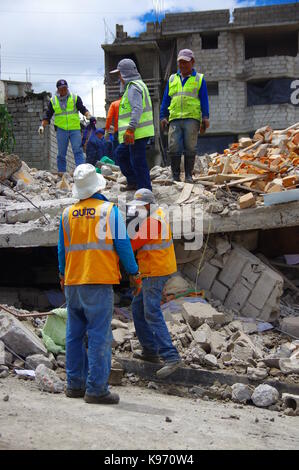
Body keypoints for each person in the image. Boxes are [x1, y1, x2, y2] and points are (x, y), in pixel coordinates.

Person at [58, 163, 142, 404]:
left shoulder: (67, 215)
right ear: (97, 186)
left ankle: (74, 385)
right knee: (98, 335)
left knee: (74, 335)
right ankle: (96, 389)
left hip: (73, 282)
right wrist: (134, 275)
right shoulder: (109, 211)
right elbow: (124, 247)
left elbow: (62, 251)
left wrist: (63, 276)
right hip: (98, 281)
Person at [127, 188, 181, 378]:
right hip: (154, 269)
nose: (137, 211)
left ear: (149, 206)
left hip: (155, 271)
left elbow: (132, 245)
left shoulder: (153, 222)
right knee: (137, 308)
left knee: (151, 311)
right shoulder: (155, 215)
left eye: (140, 207)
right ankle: (150, 351)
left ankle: (171, 356)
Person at [160, 49, 210, 183]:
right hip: (175, 118)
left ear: (192, 62)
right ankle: (175, 176)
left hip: (192, 118)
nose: (182, 65)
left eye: (185, 62)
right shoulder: (172, 78)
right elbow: (166, 99)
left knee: (190, 146)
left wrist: (205, 117)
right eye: (180, 62)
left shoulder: (199, 79)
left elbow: (204, 99)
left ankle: (188, 175)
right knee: (173, 146)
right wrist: (162, 116)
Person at [110, 59, 154, 191]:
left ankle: (145, 189)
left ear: (125, 73)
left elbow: (137, 109)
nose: (119, 78)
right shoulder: (135, 86)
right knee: (121, 154)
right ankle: (133, 182)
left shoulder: (133, 87)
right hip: (133, 133)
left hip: (136, 133)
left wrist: (130, 129)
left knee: (138, 161)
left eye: (119, 74)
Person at [38, 79, 95, 173]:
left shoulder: (75, 98)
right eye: (61, 89)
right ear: (58, 90)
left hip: (75, 129)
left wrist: (89, 116)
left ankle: (81, 173)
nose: (63, 91)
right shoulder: (53, 101)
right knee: (61, 154)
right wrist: (42, 126)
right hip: (61, 130)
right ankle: (62, 174)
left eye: (65, 88)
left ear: (67, 88)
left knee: (78, 151)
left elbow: (83, 109)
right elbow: (48, 115)